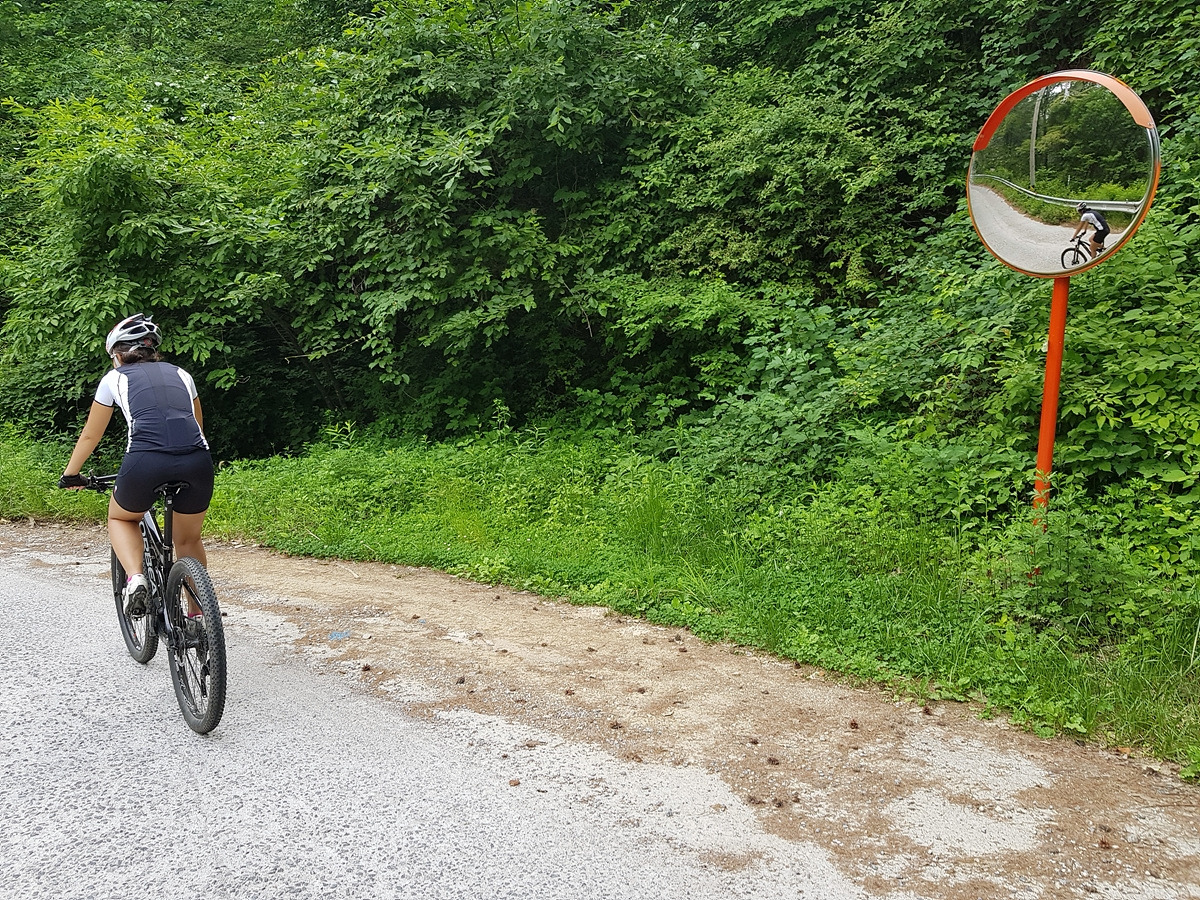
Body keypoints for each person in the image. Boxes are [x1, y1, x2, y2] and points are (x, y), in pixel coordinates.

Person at [59, 314, 214, 617]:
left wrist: (71, 474)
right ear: (153, 351)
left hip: (146, 460)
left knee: (121, 518)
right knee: (188, 539)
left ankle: (135, 578)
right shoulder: (182, 374)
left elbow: (91, 435)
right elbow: (197, 426)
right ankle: (198, 616)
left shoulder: (113, 378)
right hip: (197, 461)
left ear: (117, 355)